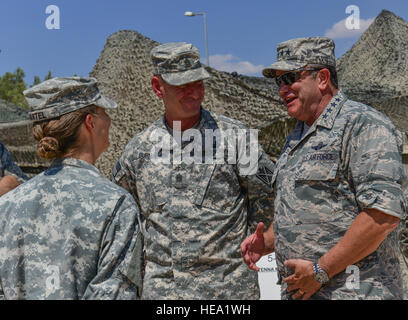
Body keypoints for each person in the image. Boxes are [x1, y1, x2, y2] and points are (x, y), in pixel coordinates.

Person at [241, 37, 406, 300]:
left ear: (322, 78)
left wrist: (321, 271)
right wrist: (269, 241)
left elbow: (382, 215)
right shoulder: (297, 135)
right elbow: (308, 209)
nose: (282, 89)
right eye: (278, 82)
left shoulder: (363, 126)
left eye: (290, 78)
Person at [111, 42, 275, 299]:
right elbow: (122, 217)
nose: (194, 92)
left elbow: (271, 193)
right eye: (182, 85)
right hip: (164, 295)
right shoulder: (138, 151)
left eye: (198, 83)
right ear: (158, 87)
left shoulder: (236, 139)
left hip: (228, 293)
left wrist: (260, 239)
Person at [0, 77, 143, 300]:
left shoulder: (7, 205)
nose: (109, 119)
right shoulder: (115, 204)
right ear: (91, 122)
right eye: (104, 111)